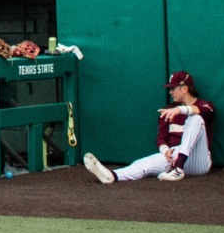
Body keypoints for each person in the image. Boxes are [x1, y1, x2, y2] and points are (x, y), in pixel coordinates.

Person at [84, 71, 215, 183]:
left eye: (173, 88)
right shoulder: (168, 110)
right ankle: (112, 176)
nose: (170, 92)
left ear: (184, 88)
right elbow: (161, 138)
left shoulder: (205, 105)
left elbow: (205, 112)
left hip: (198, 161)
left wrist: (180, 110)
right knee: (143, 164)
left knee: (195, 118)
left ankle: (178, 169)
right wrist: (165, 151)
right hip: (174, 156)